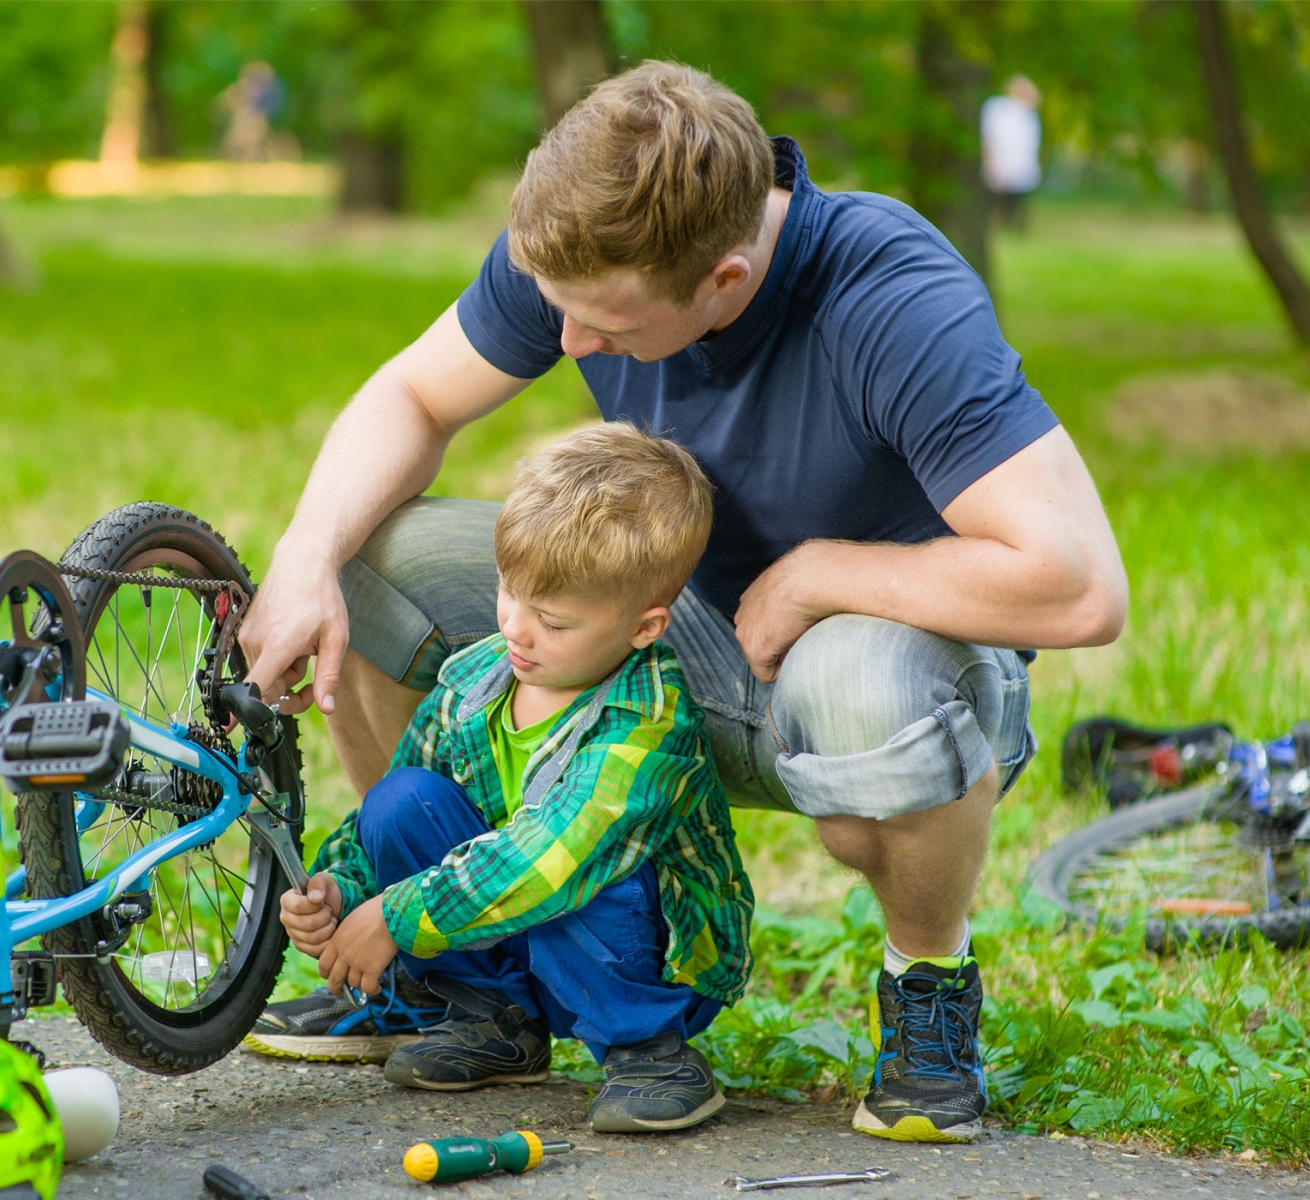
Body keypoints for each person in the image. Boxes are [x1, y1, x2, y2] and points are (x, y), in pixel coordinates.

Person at [240, 61, 1127, 1145]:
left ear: (725, 276)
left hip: (886, 677)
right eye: (560, 314)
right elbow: (414, 394)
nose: (568, 346)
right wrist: (303, 556)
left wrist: (811, 579)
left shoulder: (890, 298)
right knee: (369, 554)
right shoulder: (587, 245)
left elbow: (1081, 582)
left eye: (605, 327)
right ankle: (454, 977)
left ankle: (926, 988)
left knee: (856, 679)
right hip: (668, 631)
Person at [256, 423, 753, 1134]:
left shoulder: (650, 724)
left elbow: (548, 860)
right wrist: (345, 889)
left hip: (646, 953)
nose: (516, 630)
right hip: (516, 923)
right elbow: (397, 795)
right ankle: (494, 1018)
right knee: (400, 803)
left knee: (577, 869)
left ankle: (649, 1050)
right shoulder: (475, 680)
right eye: (509, 595)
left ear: (644, 629)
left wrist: (396, 917)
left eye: (551, 621)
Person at [982, 75, 1043, 229]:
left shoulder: (1030, 116)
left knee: (1015, 205)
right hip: (1003, 166)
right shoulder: (999, 110)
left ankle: (1012, 227)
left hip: (1019, 170)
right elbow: (991, 139)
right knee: (998, 204)